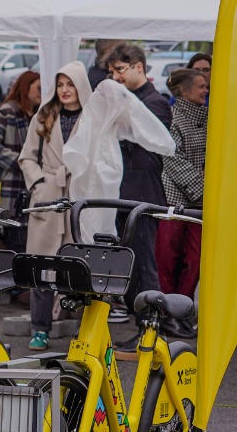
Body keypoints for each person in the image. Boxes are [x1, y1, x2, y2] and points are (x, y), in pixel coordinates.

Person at [19, 62, 92, 350]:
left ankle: (85, 331)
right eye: (60, 84)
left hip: (79, 197)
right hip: (48, 198)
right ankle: (40, 328)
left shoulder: (91, 119)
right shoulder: (43, 115)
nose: (64, 90)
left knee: (79, 268)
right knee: (42, 267)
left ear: (81, 87)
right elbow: (26, 157)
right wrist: (38, 184)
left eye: (70, 84)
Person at [106, 43, 174, 324]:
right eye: (112, 72)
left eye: (120, 70)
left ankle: (150, 327)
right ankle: (140, 324)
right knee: (130, 265)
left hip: (143, 196)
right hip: (125, 195)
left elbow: (139, 139)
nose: (116, 77)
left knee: (144, 266)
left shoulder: (155, 103)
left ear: (138, 67)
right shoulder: (129, 98)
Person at [158, 67, 207, 328]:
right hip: (174, 198)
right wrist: (203, 185)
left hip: (200, 203)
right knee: (168, 256)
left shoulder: (213, 117)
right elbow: (171, 158)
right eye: (200, 86)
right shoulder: (172, 118)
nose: (206, 90)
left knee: (195, 258)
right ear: (184, 91)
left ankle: (183, 309)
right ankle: (165, 312)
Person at [0, 70, 41, 252]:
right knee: (9, 244)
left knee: (24, 244)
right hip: (8, 190)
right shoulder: (7, 112)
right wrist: (22, 162)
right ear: (25, 87)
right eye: (38, 87)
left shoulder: (38, 115)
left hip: (29, 190)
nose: (41, 92)